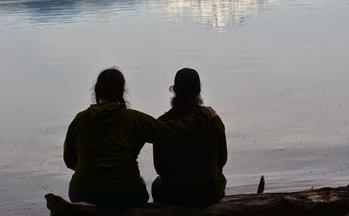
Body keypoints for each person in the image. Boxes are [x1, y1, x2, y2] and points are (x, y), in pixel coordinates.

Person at [63, 68, 215, 210]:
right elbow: (170, 131)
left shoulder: (80, 120)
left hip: (81, 192)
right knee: (141, 189)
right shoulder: (133, 119)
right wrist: (203, 115)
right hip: (123, 193)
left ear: (97, 92)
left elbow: (69, 160)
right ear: (122, 91)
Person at [152, 68, 227, 206]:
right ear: (198, 90)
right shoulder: (214, 121)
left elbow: (159, 167)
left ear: (174, 90)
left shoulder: (162, 123)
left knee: (156, 184)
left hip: (174, 193)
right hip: (208, 193)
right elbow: (222, 159)